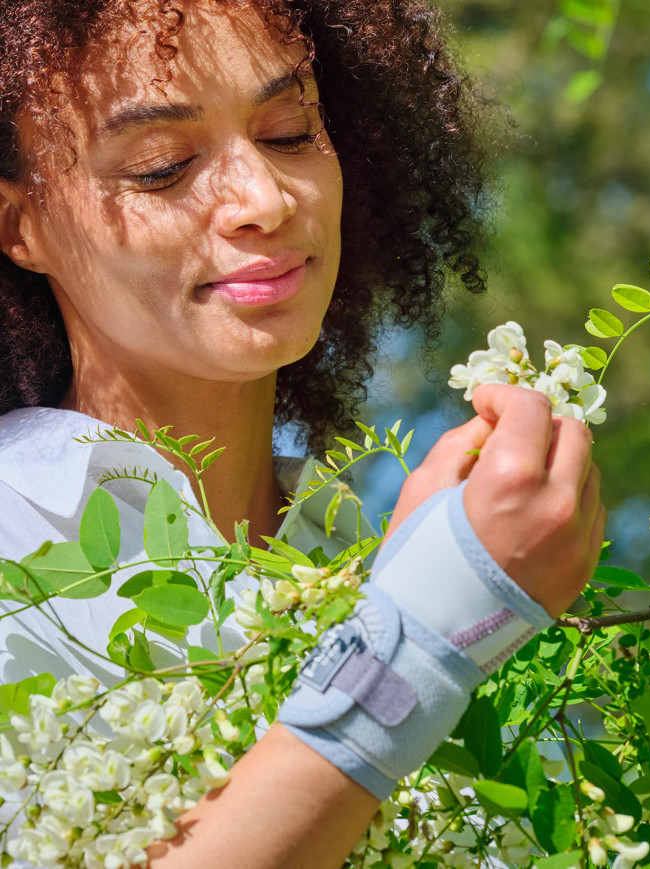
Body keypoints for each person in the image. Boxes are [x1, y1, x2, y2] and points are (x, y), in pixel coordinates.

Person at [0, 1, 605, 866]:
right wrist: (417, 639)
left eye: (290, 132)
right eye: (163, 166)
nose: (264, 199)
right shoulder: (18, 539)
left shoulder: (359, 544)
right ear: (18, 227)